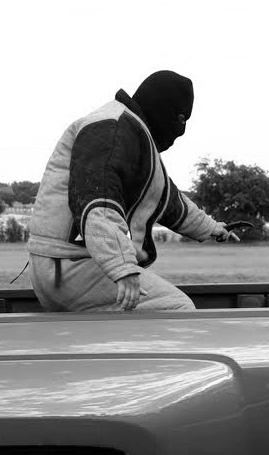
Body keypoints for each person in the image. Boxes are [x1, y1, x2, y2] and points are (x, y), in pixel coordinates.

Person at [27, 70, 237, 312]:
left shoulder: (132, 133)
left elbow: (166, 200)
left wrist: (212, 228)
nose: (180, 131)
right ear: (164, 108)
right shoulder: (113, 126)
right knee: (178, 310)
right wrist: (121, 266)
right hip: (70, 264)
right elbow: (98, 199)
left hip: (63, 265)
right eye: (180, 118)